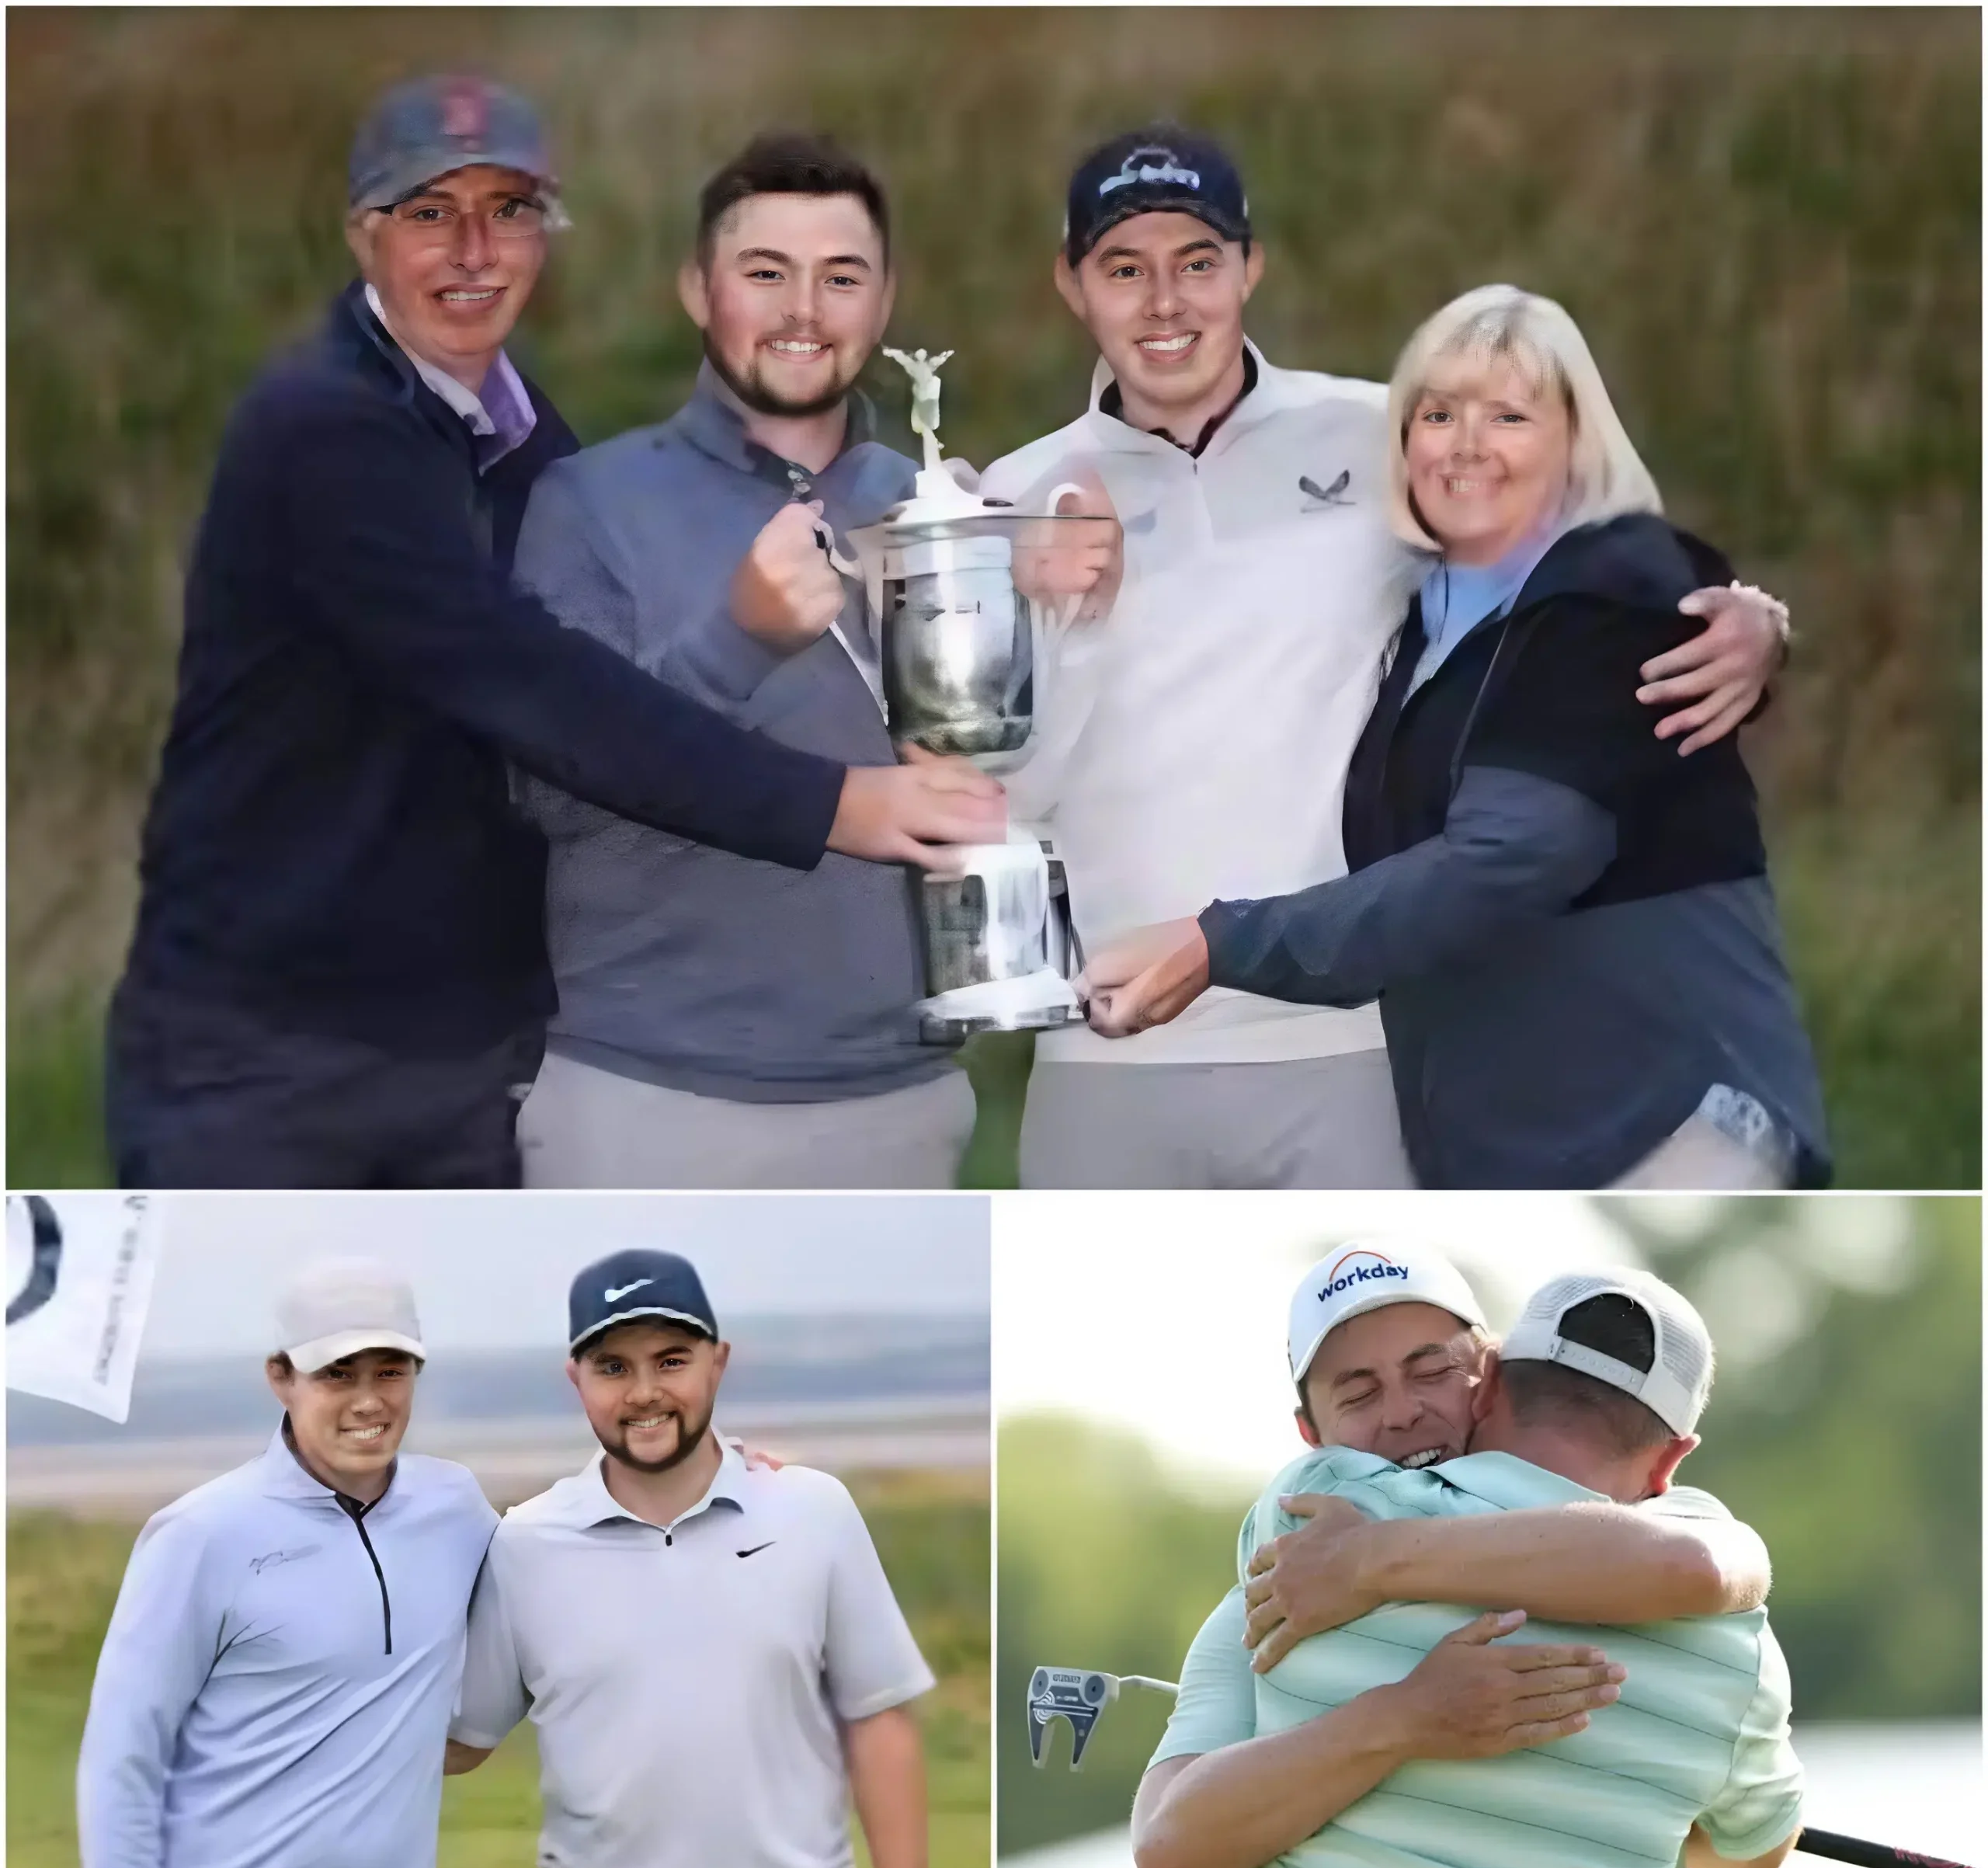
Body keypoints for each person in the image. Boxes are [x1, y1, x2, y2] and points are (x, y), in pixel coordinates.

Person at [106, 76, 1002, 1191]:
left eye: (511, 211)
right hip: (266, 1052)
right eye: (431, 213)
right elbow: (549, 700)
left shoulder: (531, 450)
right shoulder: (329, 431)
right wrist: (837, 805)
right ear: (362, 233)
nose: (474, 251)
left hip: (465, 1048)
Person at [977, 127, 1789, 1188]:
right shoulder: (1014, 495)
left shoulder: (1382, 434)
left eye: (1198, 265)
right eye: (1125, 270)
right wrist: (1053, 619)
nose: (1164, 303)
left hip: (1354, 1043)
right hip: (1105, 1047)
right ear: (1072, 283)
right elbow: (995, 789)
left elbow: (1575, 578)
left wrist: (1749, 618)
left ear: (1250, 268)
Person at [1135, 1244, 1800, 1868]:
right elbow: (1757, 1851)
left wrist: (1372, 1562)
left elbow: (1693, 1568)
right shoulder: (1735, 1635)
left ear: (1487, 1382)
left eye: (1430, 1372)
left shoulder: (1310, 1532)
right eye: (1358, 1393)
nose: (1402, 1413)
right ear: (1673, 1459)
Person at [507, 134, 972, 1188]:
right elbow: (546, 793)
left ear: (885, 300)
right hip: (648, 1101)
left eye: (840, 277)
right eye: (766, 273)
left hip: (903, 1102)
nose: (804, 309)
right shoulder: (588, 506)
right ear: (697, 289)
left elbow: (1004, 778)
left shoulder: (941, 506)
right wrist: (738, 638)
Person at [445, 1248, 934, 1868]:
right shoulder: (523, 1543)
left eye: (671, 1361)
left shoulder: (812, 1511)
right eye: (613, 1368)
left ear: (718, 1362)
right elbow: (463, 1739)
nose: (645, 1393)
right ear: (575, 1379)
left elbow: (879, 1720)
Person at [76, 1261, 496, 1868]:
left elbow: (565, 1559)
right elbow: (122, 1769)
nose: (370, 1401)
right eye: (338, 1374)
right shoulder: (201, 1535)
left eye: (391, 1371)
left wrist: (728, 1472)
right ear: (281, 1377)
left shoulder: (454, 1506)